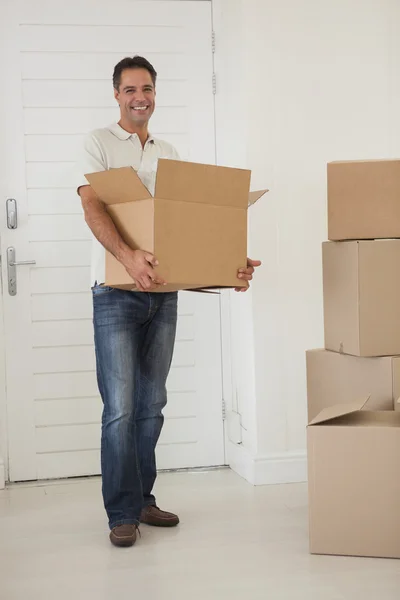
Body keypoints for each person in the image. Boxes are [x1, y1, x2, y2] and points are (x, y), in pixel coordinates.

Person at [77, 56, 261, 547]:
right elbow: (93, 207)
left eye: (149, 88)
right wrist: (129, 256)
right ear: (116, 93)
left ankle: (142, 498)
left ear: (155, 94)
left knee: (152, 403)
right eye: (131, 88)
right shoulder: (96, 143)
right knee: (120, 407)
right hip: (116, 294)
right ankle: (120, 512)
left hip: (163, 295)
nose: (141, 97)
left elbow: (186, 225)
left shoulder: (169, 150)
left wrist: (229, 264)